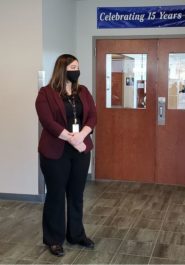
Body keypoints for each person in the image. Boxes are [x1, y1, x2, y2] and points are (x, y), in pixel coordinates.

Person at [35, 54, 97, 257]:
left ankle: (76, 234)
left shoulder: (83, 91)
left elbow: (92, 116)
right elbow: (47, 121)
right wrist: (71, 138)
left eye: (77, 66)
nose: (76, 70)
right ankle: (54, 239)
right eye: (72, 66)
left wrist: (82, 135)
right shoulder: (45, 93)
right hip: (55, 151)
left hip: (80, 151)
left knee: (76, 195)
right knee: (55, 195)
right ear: (62, 69)